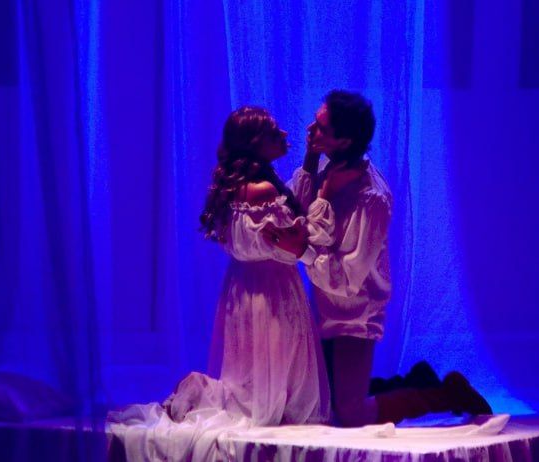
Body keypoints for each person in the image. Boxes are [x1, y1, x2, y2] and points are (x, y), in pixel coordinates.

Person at [265, 90, 492, 427]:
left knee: (351, 413)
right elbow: (298, 212)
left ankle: (443, 394)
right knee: (324, 403)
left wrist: (302, 251)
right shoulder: (328, 170)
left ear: (345, 141)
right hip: (324, 303)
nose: (311, 130)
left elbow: (349, 279)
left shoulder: (371, 197)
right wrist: (311, 161)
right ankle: (415, 381)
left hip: (355, 311)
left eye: (322, 128)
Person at [161, 106, 335, 426]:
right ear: (255, 143)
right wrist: (308, 246)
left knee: (255, 373)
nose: (284, 134)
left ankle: (267, 406)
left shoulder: (246, 188)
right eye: (273, 132)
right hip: (271, 288)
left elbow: (292, 205)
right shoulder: (261, 191)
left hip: (246, 287)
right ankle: (198, 393)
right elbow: (288, 245)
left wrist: (311, 157)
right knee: (271, 373)